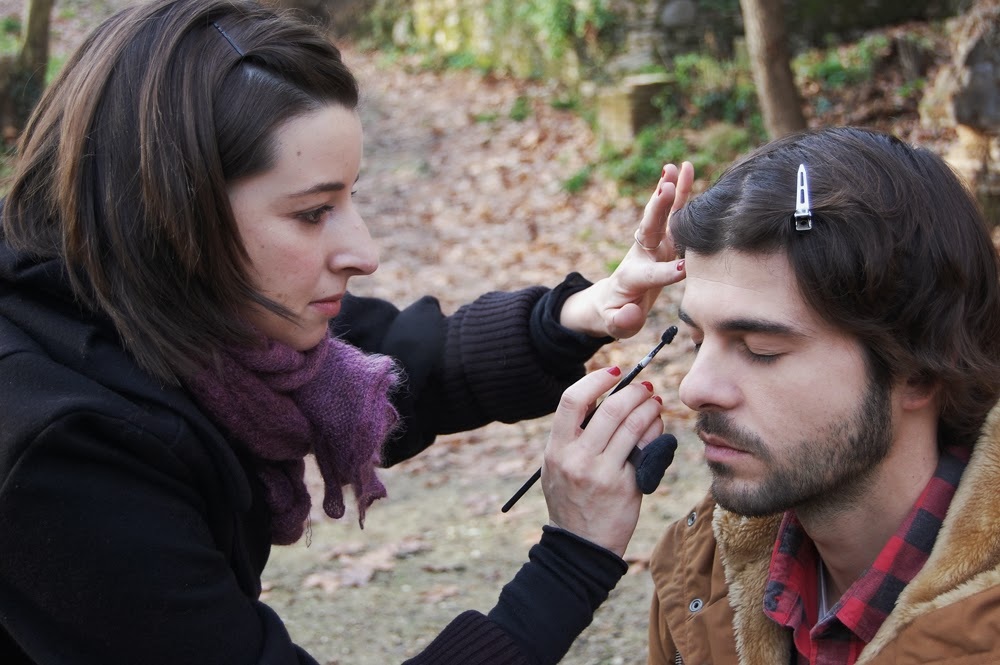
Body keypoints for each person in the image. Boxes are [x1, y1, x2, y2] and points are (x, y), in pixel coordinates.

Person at [0, 1, 696, 664]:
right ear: (170, 219)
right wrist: (571, 561)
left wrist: (577, 314)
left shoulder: (167, 306)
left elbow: (391, 367)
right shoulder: (63, 454)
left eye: (351, 196)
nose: (363, 251)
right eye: (311, 213)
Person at [646, 126, 1000, 665]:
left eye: (761, 349)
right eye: (697, 340)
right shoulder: (700, 578)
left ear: (920, 372)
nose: (694, 389)